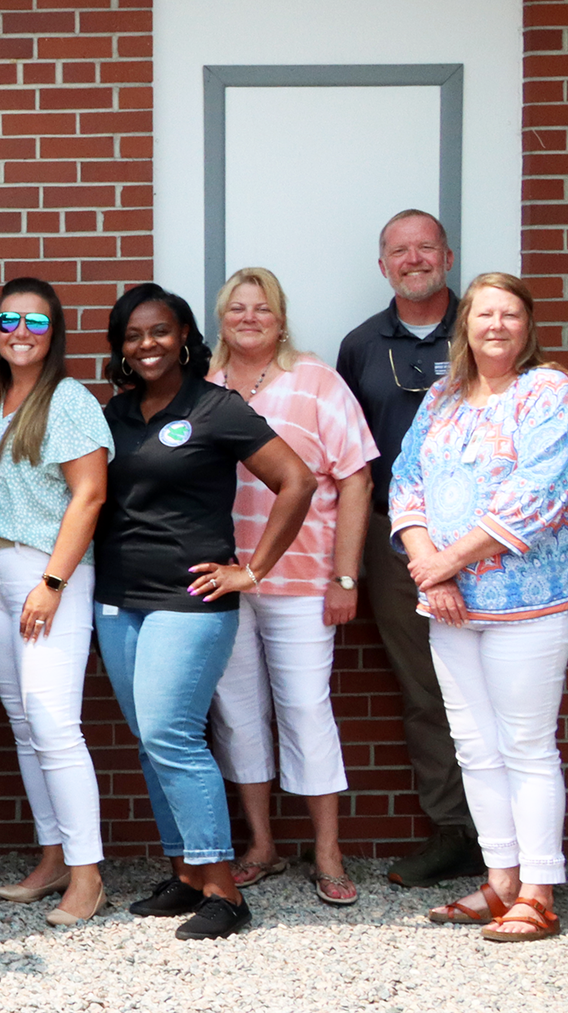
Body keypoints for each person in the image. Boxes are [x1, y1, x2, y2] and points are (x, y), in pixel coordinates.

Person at [95, 283, 312, 941]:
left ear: (185, 335)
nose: (147, 344)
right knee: (151, 739)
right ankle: (187, 873)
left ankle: (224, 889)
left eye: (160, 330)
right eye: (133, 335)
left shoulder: (216, 407)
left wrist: (253, 568)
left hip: (189, 602)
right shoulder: (114, 413)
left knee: (172, 733)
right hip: (118, 601)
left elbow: (296, 480)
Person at [393, 273, 568, 943]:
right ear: (466, 325)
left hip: (528, 601)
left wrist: (447, 561)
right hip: (448, 602)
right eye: (485, 314)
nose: (497, 325)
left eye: (510, 314)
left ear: (527, 325)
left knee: (526, 745)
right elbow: (406, 479)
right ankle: (501, 880)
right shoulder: (443, 397)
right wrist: (430, 565)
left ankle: (538, 892)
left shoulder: (548, 391)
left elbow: (541, 494)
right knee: (475, 749)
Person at [201, 267, 379, 906]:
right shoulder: (206, 388)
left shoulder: (316, 380)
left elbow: (356, 478)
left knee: (305, 708)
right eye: (236, 308)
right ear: (221, 319)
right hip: (224, 580)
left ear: (281, 320)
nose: (249, 318)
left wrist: (345, 575)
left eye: (262, 308)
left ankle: (327, 851)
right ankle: (261, 845)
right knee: (237, 713)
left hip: (303, 580)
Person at [0, 278, 111, 926]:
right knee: (24, 723)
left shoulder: (68, 399)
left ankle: (88, 875)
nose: (21, 333)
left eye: (37, 323)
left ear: (55, 333)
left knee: (53, 723)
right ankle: (54, 858)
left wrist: (51, 583)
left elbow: (90, 494)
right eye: (9, 321)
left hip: (45, 573)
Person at [334, 209, 477, 887]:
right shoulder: (361, 345)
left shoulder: (486, 328)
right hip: (397, 544)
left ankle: (512, 837)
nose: (413, 259)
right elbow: (350, 462)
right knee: (425, 690)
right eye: (400, 250)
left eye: (426, 248)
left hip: (489, 544)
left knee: (498, 685)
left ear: (447, 257)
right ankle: (455, 832)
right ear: (383, 265)